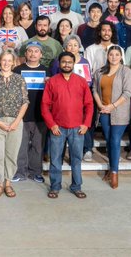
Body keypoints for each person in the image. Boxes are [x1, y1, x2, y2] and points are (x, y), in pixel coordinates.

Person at [42, 52, 93, 199]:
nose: (66, 64)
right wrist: (51, 124)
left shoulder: (81, 81)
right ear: (59, 63)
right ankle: (55, 186)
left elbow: (89, 105)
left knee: (76, 159)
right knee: (55, 159)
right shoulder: (52, 82)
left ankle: (76, 186)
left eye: (69, 62)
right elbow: (45, 105)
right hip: (57, 128)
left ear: (73, 64)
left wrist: (86, 124)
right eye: (63, 62)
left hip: (77, 128)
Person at [0, 50, 28, 198]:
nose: (6, 63)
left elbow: (25, 102)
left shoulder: (19, 79)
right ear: (0, 61)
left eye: (9, 60)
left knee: (11, 154)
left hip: (15, 122)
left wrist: (17, 121)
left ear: (14, 62)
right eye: (4, 60)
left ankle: (8, 183)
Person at [14, 42, 49, 183]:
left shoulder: (47, 71)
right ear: (25, 53)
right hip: (22, 115)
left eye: (36, 51)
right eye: (30, 51)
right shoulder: (17, 70)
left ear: (41, 54)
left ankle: (35, 172)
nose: (33, 54)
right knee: (20, 146)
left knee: (37, 146)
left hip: (41, 115)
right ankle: (20, 172)